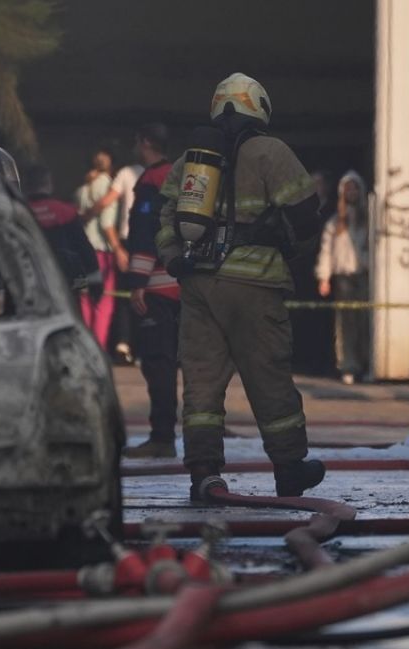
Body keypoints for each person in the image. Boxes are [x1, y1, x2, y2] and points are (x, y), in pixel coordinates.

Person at [155, 72, 326, 500]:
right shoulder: (272, 152)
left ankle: (204, 473)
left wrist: (176, 260)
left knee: (201, 381)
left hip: (198, 285)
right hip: (255, 287)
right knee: (267, 377)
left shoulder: (189, 162)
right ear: (258, 106)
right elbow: (307, 215)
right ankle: (289, 469)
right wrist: (288, 246)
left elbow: (164, 221)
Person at [122, 123, 180, 459]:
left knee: (157, 364)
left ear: (144, 143)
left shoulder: (150, 182)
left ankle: (162, 437)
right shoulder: (181, 176)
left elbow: (145, 234)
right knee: (174, 363)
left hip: (157, 288)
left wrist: (137, 285)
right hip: (182, 285)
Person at [83, 151, 144, 364]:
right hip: (133, 244)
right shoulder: (154, 173)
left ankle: (118, 343)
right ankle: (131, 347)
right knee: (118, 297)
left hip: (103, 246)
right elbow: (107, 219)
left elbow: (104, 204)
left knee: (98, 298)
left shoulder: (88, 186)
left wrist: (83, 216)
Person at [315, 170, 370, 385]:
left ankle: (367, 364)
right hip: (342, 277)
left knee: (365, 322)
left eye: (355, 187)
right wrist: (324, 277)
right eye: (347, 188)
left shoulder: (369, 219)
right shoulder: (335, 221)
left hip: (363, 275)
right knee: (345, 324)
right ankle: (348, 366)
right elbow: (326, 250)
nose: (352, 192)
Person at [75, 148, 126, 349]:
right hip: (101, 253)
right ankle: (98, 348)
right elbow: (107, 223)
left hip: (83, 251)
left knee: (85, 299)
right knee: (104, 302)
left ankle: (85, 347)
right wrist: (118, 248)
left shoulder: (81, 189)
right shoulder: (109, 186)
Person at [23, 165, 101, 295]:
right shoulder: (66, 212)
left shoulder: (18, 214)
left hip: (31, 284)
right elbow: (83, 247)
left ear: (26, 186)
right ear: (49, 184)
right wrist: (95, 283)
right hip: (69, 283)